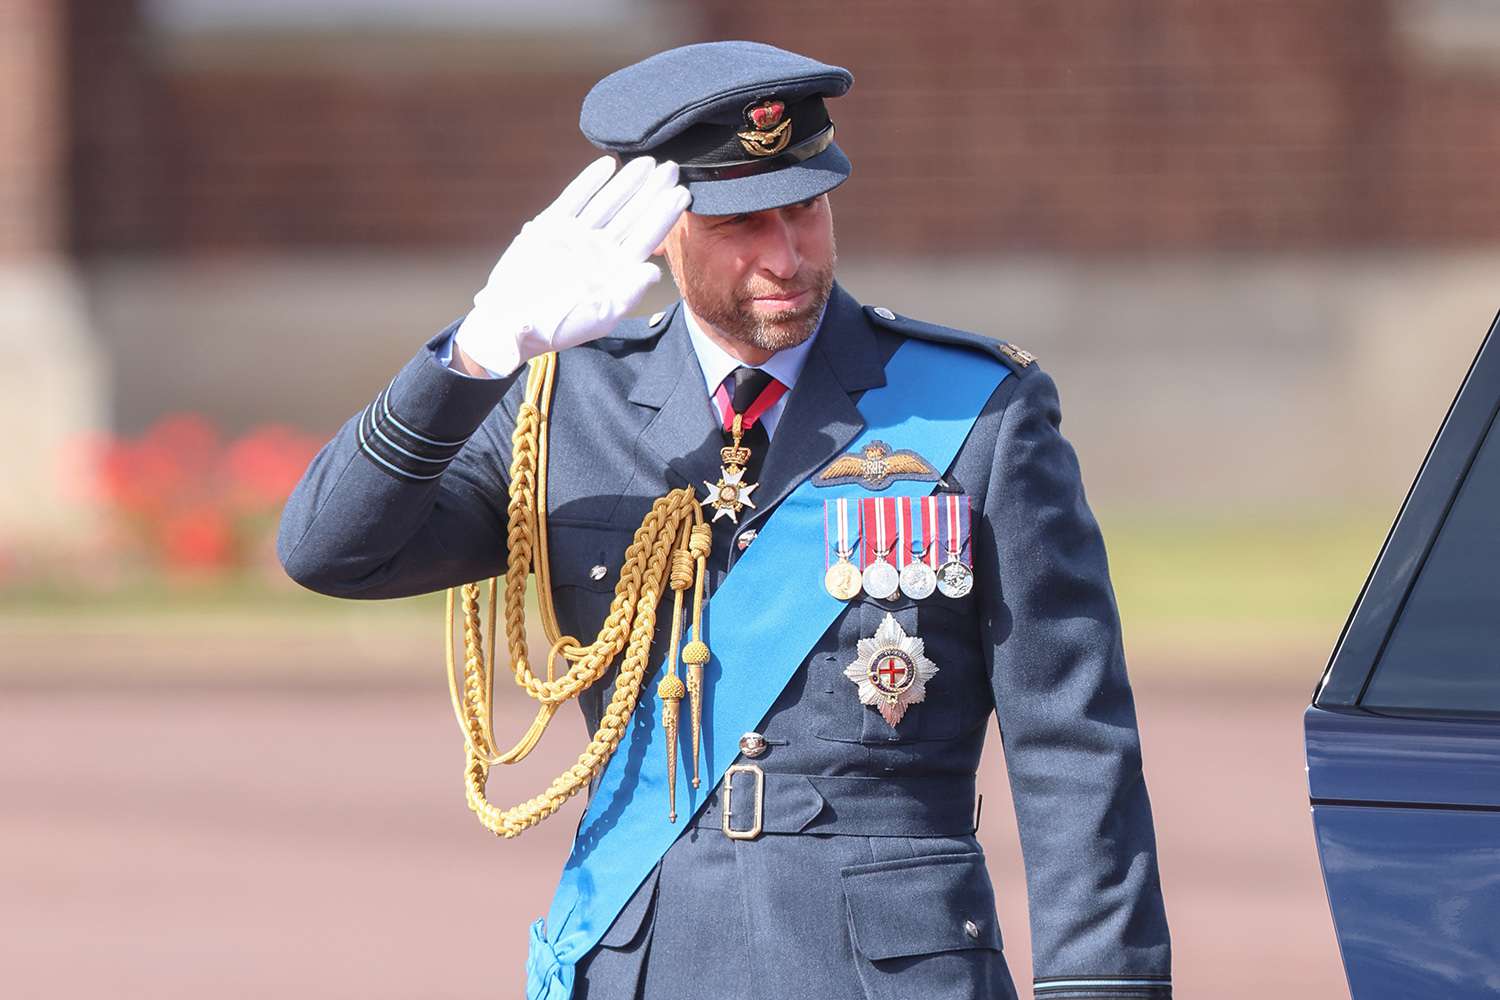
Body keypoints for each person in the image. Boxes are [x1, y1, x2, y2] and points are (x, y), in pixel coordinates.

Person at [278, 39, 1171, 1000]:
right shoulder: (559, 405)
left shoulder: (975, 410)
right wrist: (472, 355)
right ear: (664, 230)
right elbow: (331, 550)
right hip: (648, 955)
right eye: (743, 219)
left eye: (806, 208)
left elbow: (1072, 741)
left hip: (887, 970)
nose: (786, 255)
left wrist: (1102, 990)